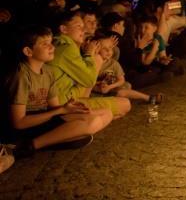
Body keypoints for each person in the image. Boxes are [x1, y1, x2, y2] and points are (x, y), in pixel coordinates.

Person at [9, 25, 113, 159]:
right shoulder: (21, 76)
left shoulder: (47, 71)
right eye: (44, 44)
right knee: (92, 123)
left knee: (106, 113)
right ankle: (30, 146)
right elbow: (19, 122)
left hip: (45, 118)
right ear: (28, 51)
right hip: (27, 127)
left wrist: (70, 108)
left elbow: (54, 107)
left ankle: (59, 138)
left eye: (51, 42)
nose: (52, 47)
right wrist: (60, 111)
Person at [48, 12, 131, 118]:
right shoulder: (66, 47)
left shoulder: (63, 44)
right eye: (78, 26)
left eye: (83, 26)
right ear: (64, 29)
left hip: (68, 96)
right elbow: (89, 81)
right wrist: (89, 54)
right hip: (66, 102)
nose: (83, 30)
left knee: (118, 107)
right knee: (125, 104)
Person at [92, 32, 163, 104]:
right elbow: (88, 82)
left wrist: (110, 87)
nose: (108, 51)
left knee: (122, 91)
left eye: (110, 47)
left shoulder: (114, 63)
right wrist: (98, 86)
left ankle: (149, 98)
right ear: (97, 50)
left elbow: (121, 80)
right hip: (96, 90)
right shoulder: (93, 63)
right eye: (104, 48)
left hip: (111, 88)